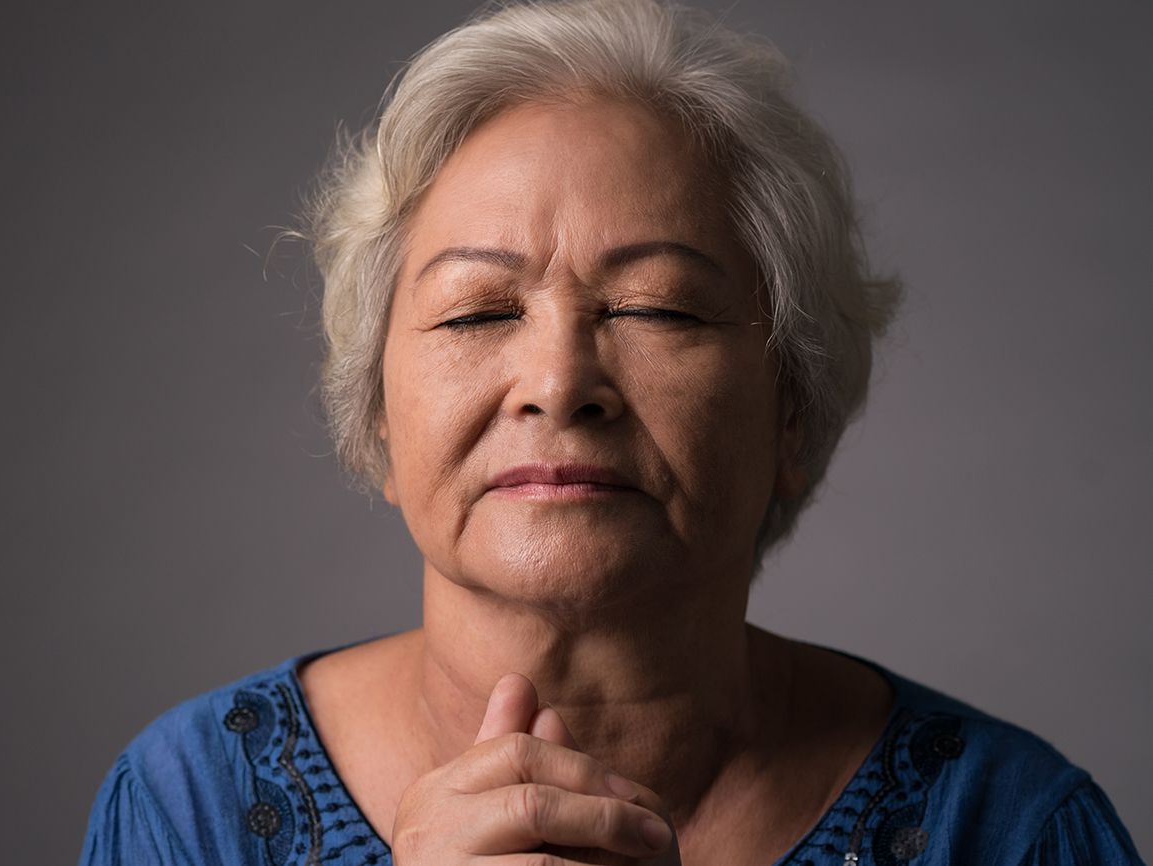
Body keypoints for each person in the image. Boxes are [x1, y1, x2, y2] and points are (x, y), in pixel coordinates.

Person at [78, 0, 1143, 863]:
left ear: (792, 409)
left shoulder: (1011, 829)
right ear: (376, 418)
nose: (557, 383)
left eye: (656, 309)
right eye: (478, 312)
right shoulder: (193, 809)